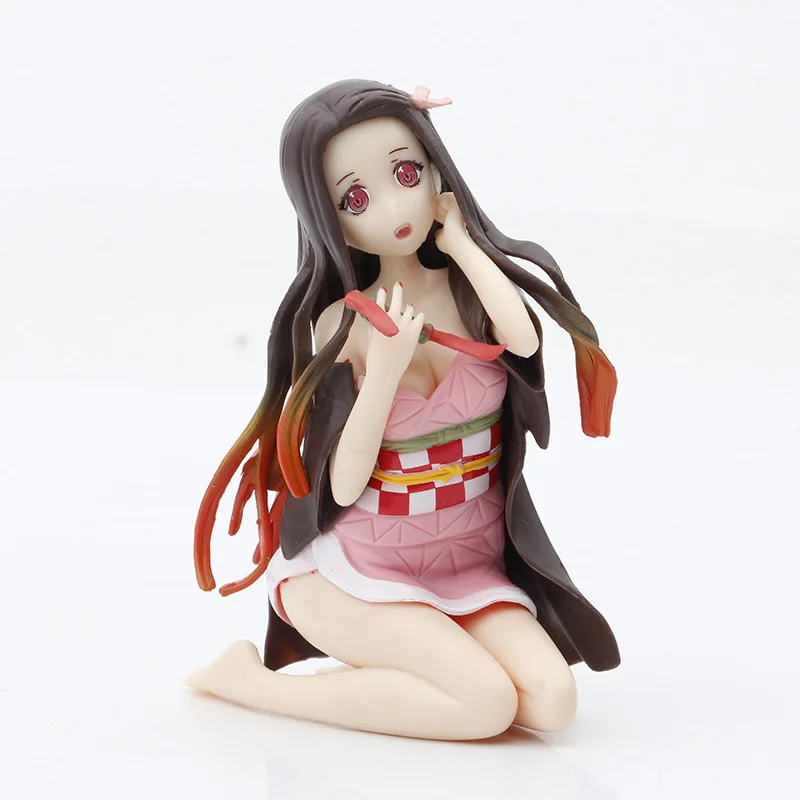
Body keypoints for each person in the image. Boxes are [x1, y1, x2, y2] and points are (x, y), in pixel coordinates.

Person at [188, 79, 619, 740]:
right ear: (328, 218)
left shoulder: (471, 292)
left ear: (435, 169)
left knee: (552, 702)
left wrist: (463, 243)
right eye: (356, 198)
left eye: (407, 173)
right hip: (358, 574)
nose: (393, 207)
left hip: (467, 565)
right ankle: (249, 683)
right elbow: (342, 484)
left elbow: (525, 342)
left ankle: (408, 676)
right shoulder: (342, 325)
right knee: (485, 706)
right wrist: (384, 374)